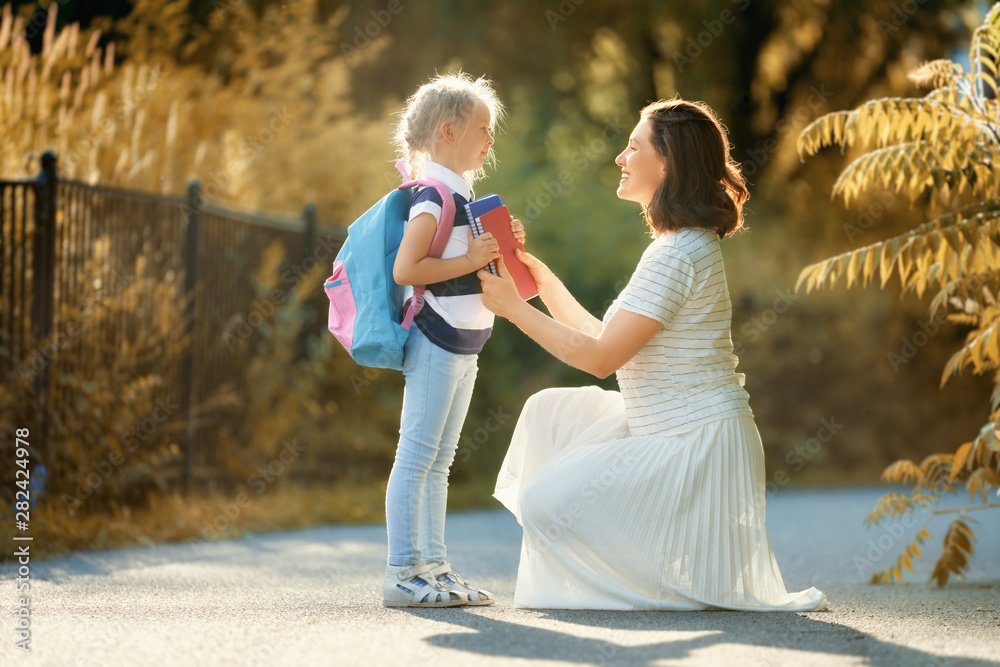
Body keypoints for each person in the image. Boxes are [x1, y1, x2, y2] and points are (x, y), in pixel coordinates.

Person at [478, 98, 828, 611]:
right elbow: (610, 341)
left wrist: (512, 308)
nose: (621, 157)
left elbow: (600, 360)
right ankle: (658, 574)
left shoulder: (680, 252)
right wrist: (543, 283)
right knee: (550, 411)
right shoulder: (678, 246)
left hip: (695, 442)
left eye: (634, 146)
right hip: (669, 428)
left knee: (542, 504)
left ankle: (661, 584)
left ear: (667, 163)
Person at [383, 72, 525, 608]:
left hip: (467, 343)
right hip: (439, 340)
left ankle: (435, 569)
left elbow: (475, 265)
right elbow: (406, 268)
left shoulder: (462, 196)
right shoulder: (434, 197)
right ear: (448, 131)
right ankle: (403, 572)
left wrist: (500, 246)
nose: (490, 140)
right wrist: (471, 256)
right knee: (416, 456)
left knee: (439, 462)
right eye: (483, 130)